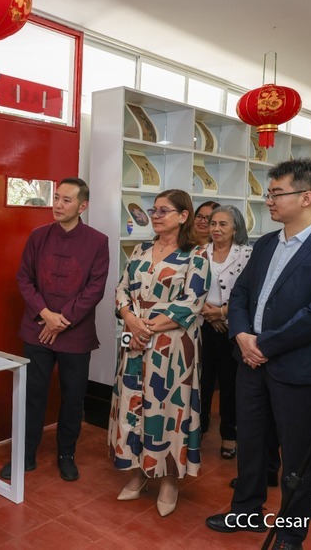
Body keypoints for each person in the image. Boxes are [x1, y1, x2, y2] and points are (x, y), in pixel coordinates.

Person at [205, 158, 311, 550]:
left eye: (276, 193)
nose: (268, 200)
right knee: (252, 442)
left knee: (297, 455)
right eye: (268, 193)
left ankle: (290, 534)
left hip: (298, 369)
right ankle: (246, 511)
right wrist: (241, 335)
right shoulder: (267, 243)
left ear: (306, 197)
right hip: (251, 362)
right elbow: (241, 293)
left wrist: (263, 345)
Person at [0, 177, 109, 482]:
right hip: (38, 329)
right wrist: (46, 315)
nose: (58, 205)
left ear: (82, 206)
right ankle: (25, 455)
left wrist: (62, 321)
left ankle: (66, 455)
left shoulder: (98, 241)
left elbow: (95, 288)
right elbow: (24, 279)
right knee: (32, 395)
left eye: (66, 200)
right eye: (57, 198)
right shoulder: (38, 236)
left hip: (75, 333)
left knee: (73, 396)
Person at [109, 188, 210, 517]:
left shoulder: (196, 255)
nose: (155, 215)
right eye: (153, 210)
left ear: (183, 216)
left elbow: (191, 303)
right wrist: (130, 319)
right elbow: (122, 288)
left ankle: (169, 479)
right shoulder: (140, 249)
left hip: (172, 348)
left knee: (167, 411)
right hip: (135, 343)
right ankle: (138, 472)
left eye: (163, 210)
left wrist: (145, 328)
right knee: (134, 406)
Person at [199, 205, 252, 459]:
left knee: (230, 384)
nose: (216, 229)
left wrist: (222, 313)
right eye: (213, 224)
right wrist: (208, 314)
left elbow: (250, 293)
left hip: (232, 327)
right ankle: (197, 430)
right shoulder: (199, 252)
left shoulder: (248, 254)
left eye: (223, 224)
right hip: (202, 324)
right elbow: (187, 288)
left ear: (235, 228)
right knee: (201, 381)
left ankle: (229, 434)